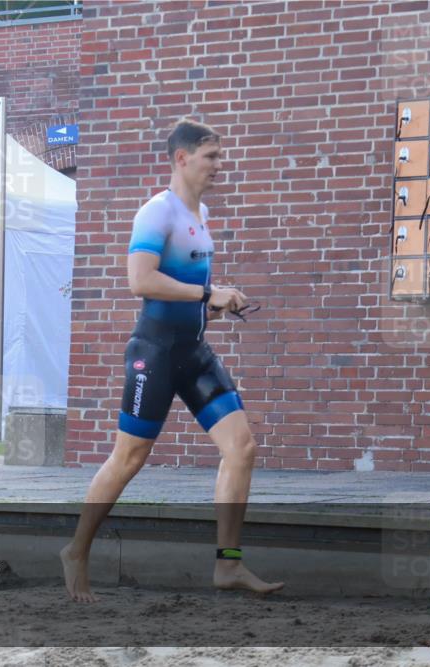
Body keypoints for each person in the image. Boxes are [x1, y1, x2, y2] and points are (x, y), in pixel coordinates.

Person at [61, 119, 284, 602]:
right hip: (155, 354)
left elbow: (189, 290)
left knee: (241, 448)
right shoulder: (155, 213)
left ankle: (229, 566)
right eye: (212, 157)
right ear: (182, 159)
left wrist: (218, 303)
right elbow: (140, 281)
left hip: (195, 353)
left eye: (220, 157)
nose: (220, 166)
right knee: (130, 457)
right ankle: (77, 550)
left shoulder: (200, 213)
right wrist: (209, 292)